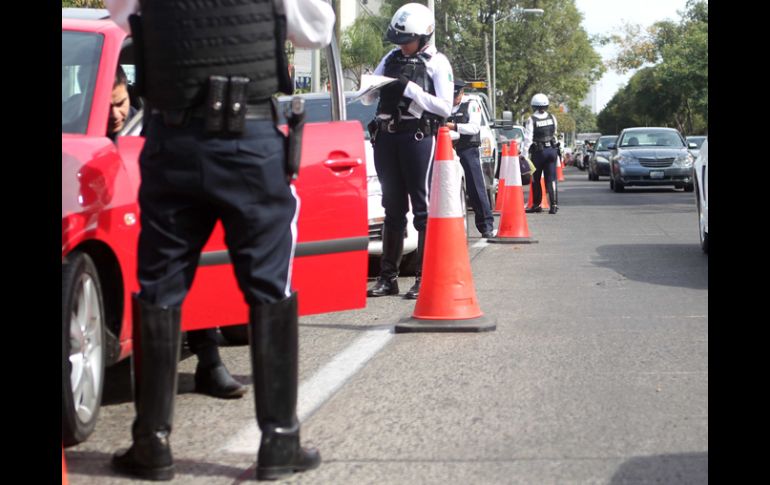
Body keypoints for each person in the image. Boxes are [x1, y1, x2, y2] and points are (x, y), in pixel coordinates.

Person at [104, 0, 334, 481]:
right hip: (251, 142)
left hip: (173, 141)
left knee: (160, 289)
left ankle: (151, 441)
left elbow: (125, 19)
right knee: (269, 287)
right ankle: (279, 442)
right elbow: (317, 30)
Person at [110, 64, 247, 400]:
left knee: (190, 269)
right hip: (113, 229)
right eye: (108, 106)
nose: (115, 114)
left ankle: (208, 359)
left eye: (120, 102)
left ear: (132, 94)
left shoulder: (150, 130)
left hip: (155, 217)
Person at [364, 2, 454, 300]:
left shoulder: (437, 63)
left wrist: (409, 89)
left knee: (423, 209)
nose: (402, 47)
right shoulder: (389, 57)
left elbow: (444, 106)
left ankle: (423, 277)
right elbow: (366, 99)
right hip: (387, 137)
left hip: (417, 137)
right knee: (392, 208)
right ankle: (387, 278)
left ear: (424, 36)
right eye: (399, 41)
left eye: (408, 41)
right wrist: (375, 87)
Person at [446, 79, 495, 238]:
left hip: (467, 149)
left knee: (475, 188)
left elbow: (474, 127)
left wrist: (453, 127)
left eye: (456, 95)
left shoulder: (471, 104)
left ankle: (486, 225)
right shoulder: (444, 105)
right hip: (446, 150)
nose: (454, 99)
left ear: (462, 93)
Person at [523, 93, 559, 214]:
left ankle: (536, 205)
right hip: (552, 151)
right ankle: (553, 205)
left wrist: (524, 155)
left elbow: (528, 139)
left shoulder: (531, 119)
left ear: (533, 106)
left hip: (539, 153)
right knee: (551, 179)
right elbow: (555, 132)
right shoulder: (552, 117)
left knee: (536, 179)